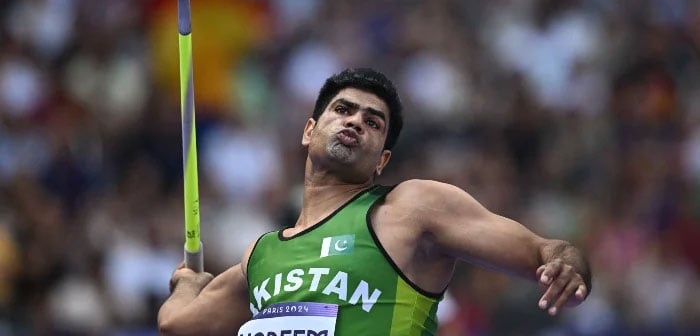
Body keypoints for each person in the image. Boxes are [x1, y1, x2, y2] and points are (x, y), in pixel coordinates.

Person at [158, 68, 591, 335]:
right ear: (309, 130)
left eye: (372, 122)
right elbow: (178, 325)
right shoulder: (262, 253)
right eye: (343, 110)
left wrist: (566, 262)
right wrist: (188, 286)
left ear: (382, 160)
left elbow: (544, 251)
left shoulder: (409, 211)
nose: (355, 122)